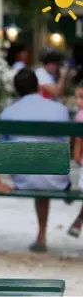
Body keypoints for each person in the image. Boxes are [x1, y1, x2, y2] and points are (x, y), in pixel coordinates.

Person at [0, 68, 71, 252]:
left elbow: (3, 150)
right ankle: (41, 235)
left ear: (17, 90)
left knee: (35, 168)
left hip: (24, 179)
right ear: (37, 86)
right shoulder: (61, 109)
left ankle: (41, 236)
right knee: (45, 167)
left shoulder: (8, 113)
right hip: (56, 178)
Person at [67, 81, 83, 238]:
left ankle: (79, 220)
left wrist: (77, 158)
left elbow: (78, 143)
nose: (78, 101)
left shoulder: (80, 115)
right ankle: (79, 220)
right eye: (77, 97)